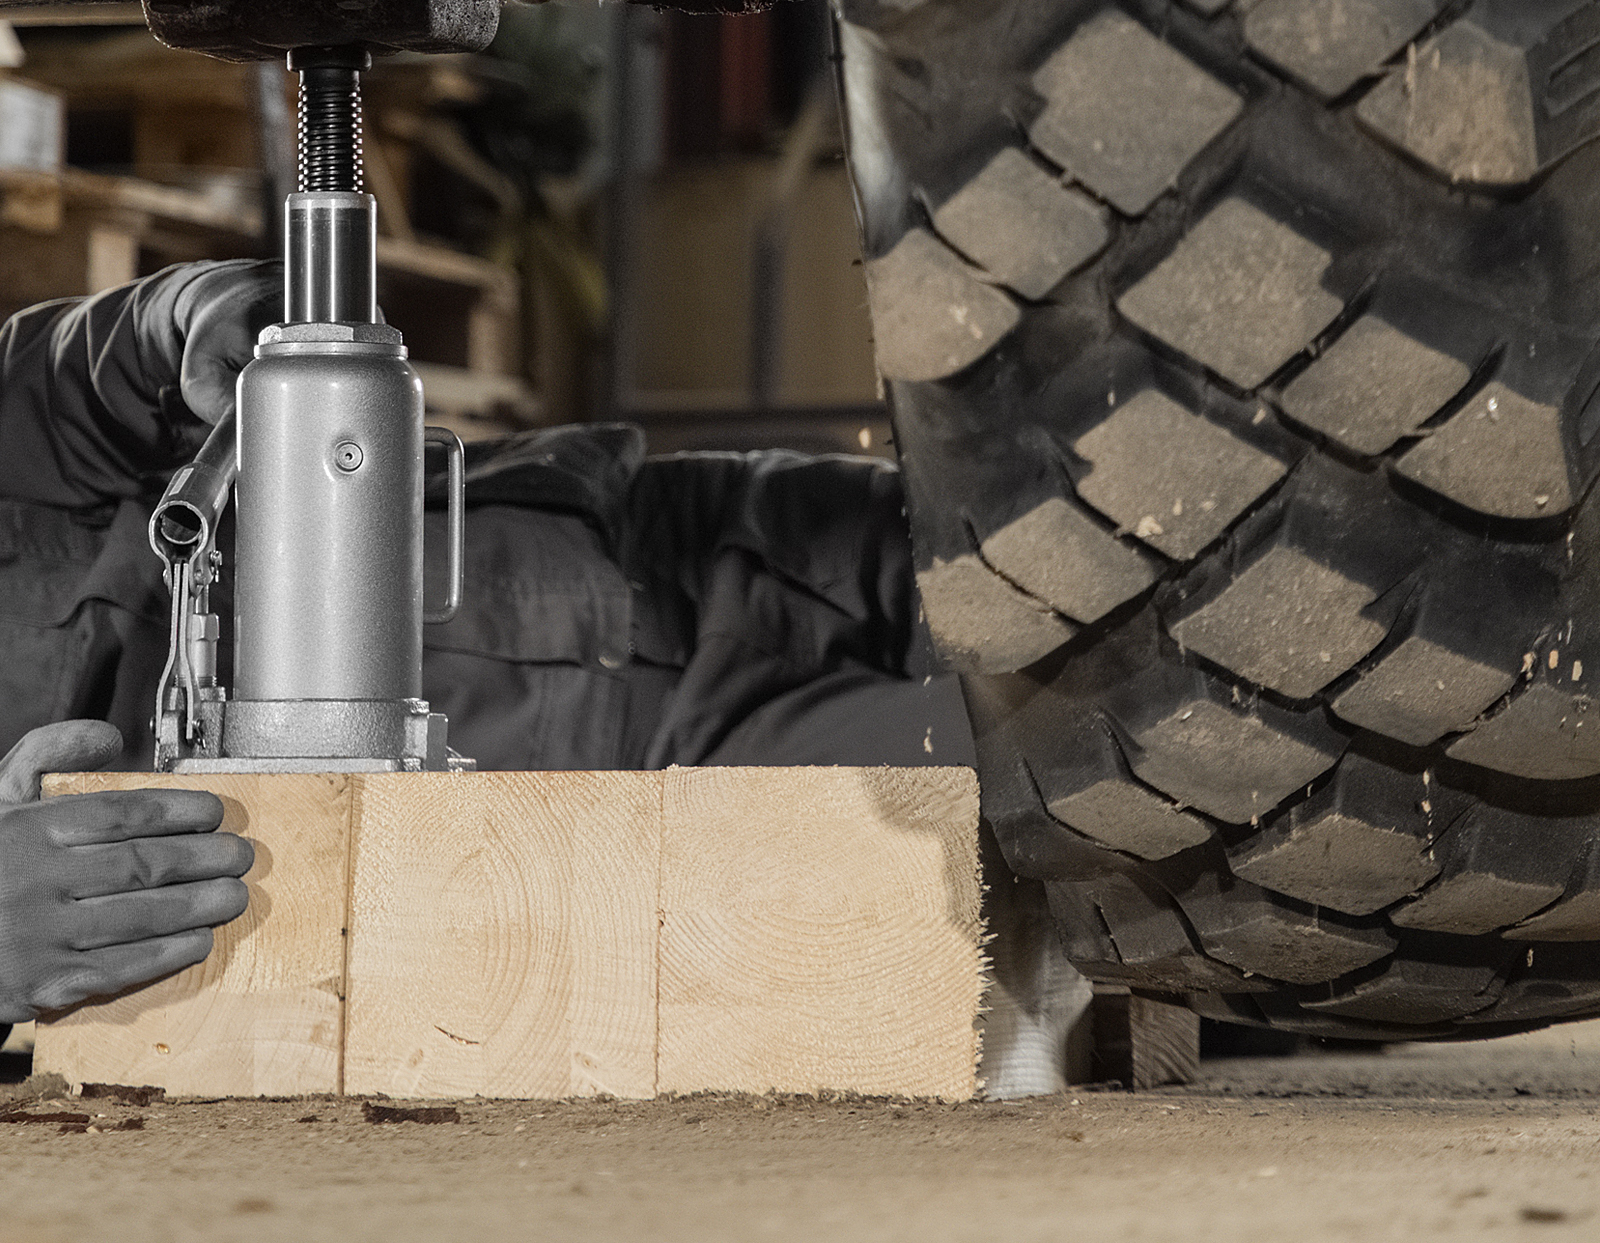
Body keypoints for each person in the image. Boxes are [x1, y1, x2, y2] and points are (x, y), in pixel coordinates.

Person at [0, 260, 973, 1023]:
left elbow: (81, 369)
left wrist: (195, 313)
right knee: (1040, 780)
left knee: (1042, 542)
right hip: (638, 822)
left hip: (683, 532)